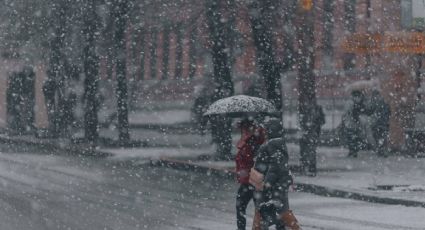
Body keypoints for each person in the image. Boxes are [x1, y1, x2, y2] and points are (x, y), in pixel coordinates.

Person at [250, 118, 301, 230]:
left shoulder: (274, 143)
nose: (264, 131)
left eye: (266, 129)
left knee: (277, 213)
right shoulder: (273, 143)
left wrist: (268, 183)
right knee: (276, 214)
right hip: (274, 185)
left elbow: (276, 166)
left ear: (271, 130)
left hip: (273, 186)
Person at [235, 118, 266, 230]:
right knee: (257, 209)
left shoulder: (252, 140)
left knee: (245, 207)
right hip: (250, 180)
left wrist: (244, 171)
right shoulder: (250, 139)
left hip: (252, 180)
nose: (241, 131)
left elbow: (251, 160)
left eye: (243, 128)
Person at [369, 90, 390, 157]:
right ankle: (381, 150)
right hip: (376, 124)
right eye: (374, 96)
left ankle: (383, 151)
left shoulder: (383, 104)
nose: (375, 97)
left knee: (382, 137)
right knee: (377, 137)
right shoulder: (373, 103)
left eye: (376, 96)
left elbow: (387, 113)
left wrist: (380, 117)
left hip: (382, 124)